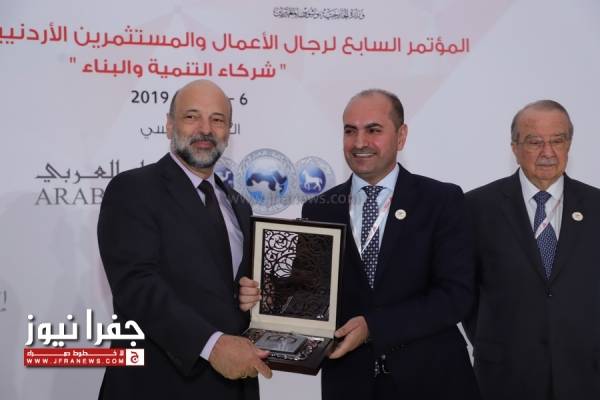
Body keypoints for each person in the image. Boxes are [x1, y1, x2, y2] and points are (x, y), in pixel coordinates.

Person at [241, 89, 480, 399]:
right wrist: (266, 295)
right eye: (350, 131)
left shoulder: (441, 200)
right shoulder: (319, 209)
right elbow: (309, 295)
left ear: (401, 136)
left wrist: (374, 326)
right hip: (350, 384)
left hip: (432, 381)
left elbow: (456, 296)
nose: (359, 142)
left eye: (373, 130)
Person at [97, 79, 272, 400]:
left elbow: (224, 287)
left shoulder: (239, 206)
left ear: (228, 131)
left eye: (217, 120)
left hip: (234, 385)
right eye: (192, 116)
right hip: (156, 385)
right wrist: (212, 345)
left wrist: (250, 295)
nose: (205, 129)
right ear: (169, 125)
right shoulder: (133, 190)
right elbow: (136, 286)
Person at [465, 100, 600, 400]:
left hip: (586, 377)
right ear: (514, 147)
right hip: (504, 377)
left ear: (569, 144)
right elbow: (465, 294)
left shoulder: (596, 207)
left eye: (557, 141)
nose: (547, 152)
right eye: (535, 142)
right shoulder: (475, 208)